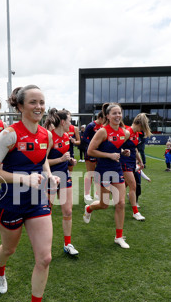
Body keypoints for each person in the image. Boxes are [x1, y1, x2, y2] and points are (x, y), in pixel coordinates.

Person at [0, 85, 59, 302]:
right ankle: (0, 269)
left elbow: (42, 162)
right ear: (19, 106)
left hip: (38, 200)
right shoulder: (8, 135)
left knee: (45, 258)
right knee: (9, 249)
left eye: (42, 102)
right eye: (33, 102)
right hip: (11, 201)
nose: (39, 107)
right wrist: (23, 179)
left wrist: (49, 177)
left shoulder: (46, 135)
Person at [83, 102, 130, 249]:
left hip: (117, 169)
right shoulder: (102, 131)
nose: (117, 116)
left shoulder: (125, 133)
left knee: (120, 203)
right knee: (104, 205)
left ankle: (119, 237)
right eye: (114, 113)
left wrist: (123, 152)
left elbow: (116, 147)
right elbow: (90, 151)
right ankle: (89, 209)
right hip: (103, 170)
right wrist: (109, 155)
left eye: (119, 113)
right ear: (108, 116)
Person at [45, 108, 79, 256]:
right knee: (46, 212)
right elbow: (42, 161)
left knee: (68, 211)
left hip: (64, 175)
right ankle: (44, 244)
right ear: (63, 122)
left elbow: (66, 156)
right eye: (70, 121)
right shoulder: (49, 137)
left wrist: (71, 160)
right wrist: (60, 159)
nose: (71, 124)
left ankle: (67, 244)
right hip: (50, 178)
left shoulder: (66, 136)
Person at [121, 113, 151, 221]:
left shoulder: (136, 133)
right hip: (124, 162)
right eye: (143, 127)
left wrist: (140, 161)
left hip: (132, 163)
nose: (143, 130)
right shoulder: (127, 132)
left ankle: (117, 200)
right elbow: (116, 146)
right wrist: (123, 151)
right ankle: (135, 212)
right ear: (139, 123)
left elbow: (135, 149)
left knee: (124, 185)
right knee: (133, 186)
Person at [82, 113, 104, 203]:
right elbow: (83, 137)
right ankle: (87, 194)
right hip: (90, 152)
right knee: (90, 173)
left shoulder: (103, 126)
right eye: (104, 119)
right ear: (99, 117)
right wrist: (92, 143)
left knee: (98, 173)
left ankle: (96, 193)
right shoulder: (91, 125)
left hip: (100, 152)